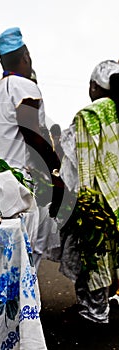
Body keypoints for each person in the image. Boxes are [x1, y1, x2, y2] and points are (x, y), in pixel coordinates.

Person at [0, 27, 64, 269]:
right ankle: (24, 306)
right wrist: (57, 178)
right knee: (24, 258)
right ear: (26, 55)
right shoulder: (23, 87)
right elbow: (34, 136)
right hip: (17, 192)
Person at [59, 59, 119, 326]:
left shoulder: (90, 114)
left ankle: (95, 313)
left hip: (98, 200)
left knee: (95, 257)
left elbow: (80, 163)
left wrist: (78, 200)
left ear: (95, 86)